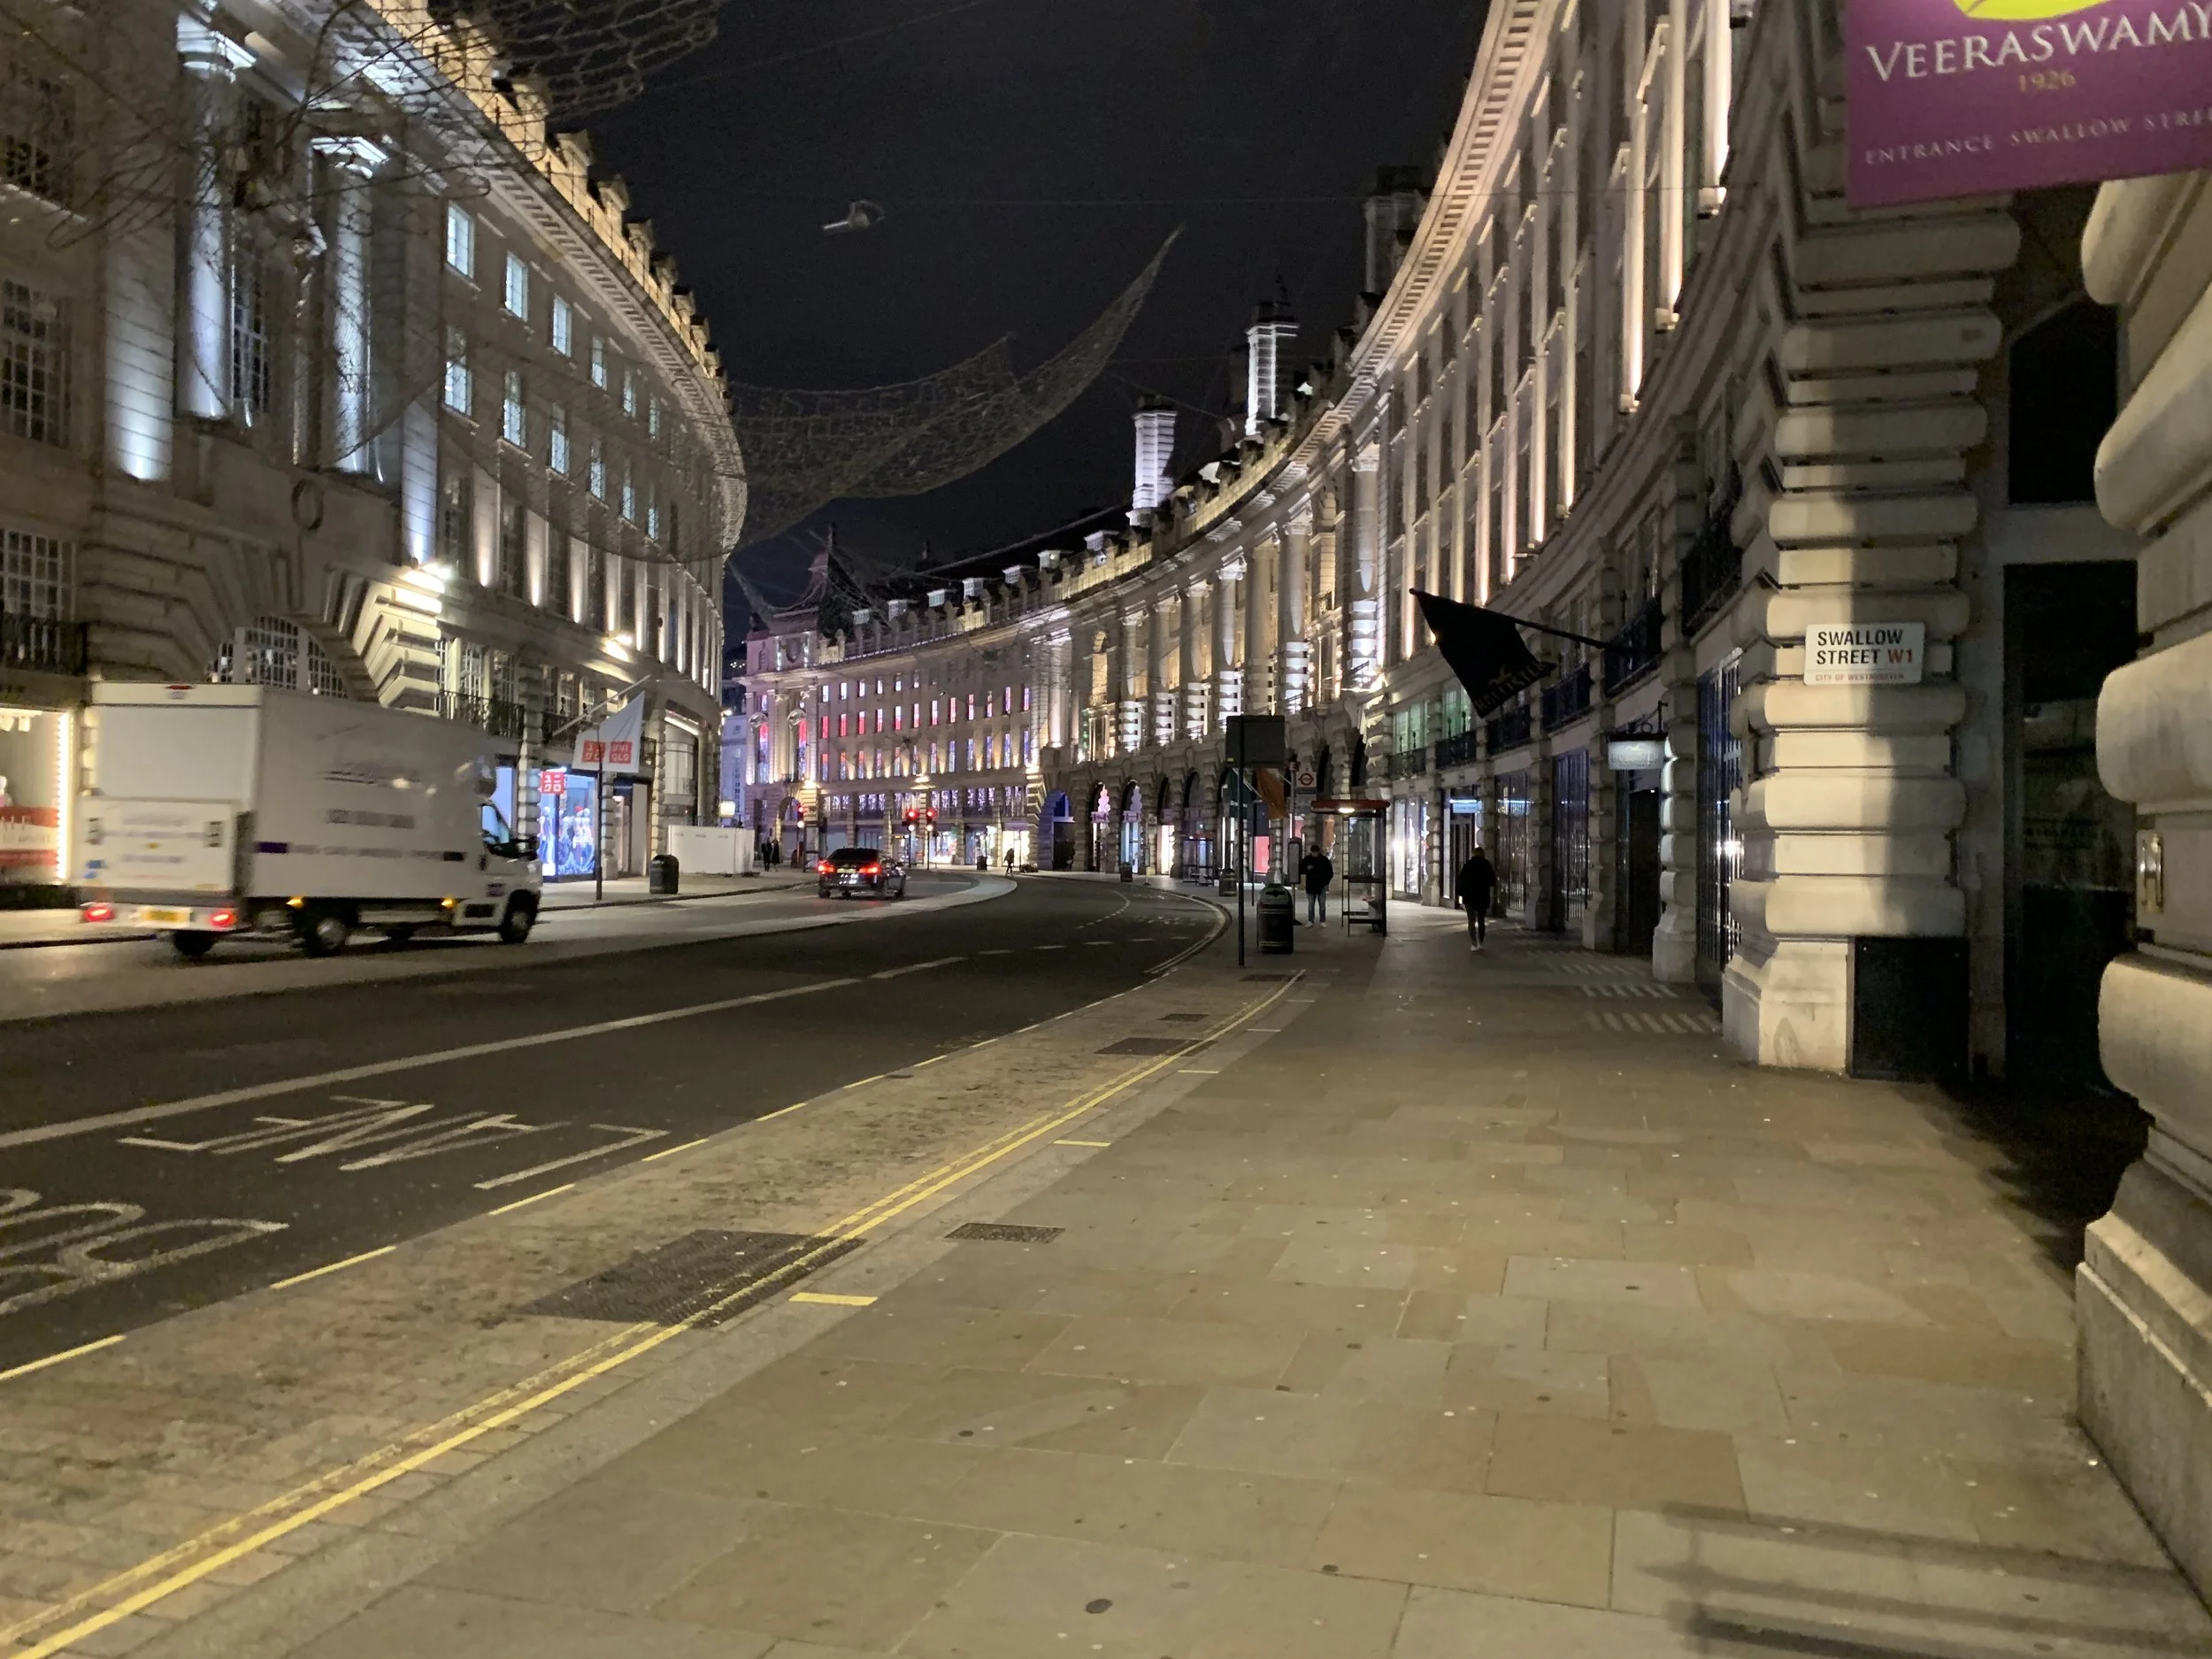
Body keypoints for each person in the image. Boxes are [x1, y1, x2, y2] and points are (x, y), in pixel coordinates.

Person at [1455, 845, 1496, 949]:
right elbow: (1492, 881)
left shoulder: (1468, 865)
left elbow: (1460, 880)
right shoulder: (1486, 865)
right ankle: (1481, 942)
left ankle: (1473, 943)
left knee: (1471, 921)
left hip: (1469, 897)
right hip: (1482, 897)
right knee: (1481, 920)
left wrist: (1460, 894)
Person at [1297, 846, 1334, 925]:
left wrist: (1326, 883)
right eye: (1313, 853)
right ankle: (1310, 920)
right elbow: (1301, 870)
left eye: (1316, 853)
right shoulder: (1307, 860)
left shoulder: (1324, 860)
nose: (1314, 854)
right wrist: (1307, 869)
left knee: (1322, 905)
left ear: (1318, 852)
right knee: (1311, 905)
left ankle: (1322, 920)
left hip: (1321, 886)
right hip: (1310, 886)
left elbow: (1330, 873)